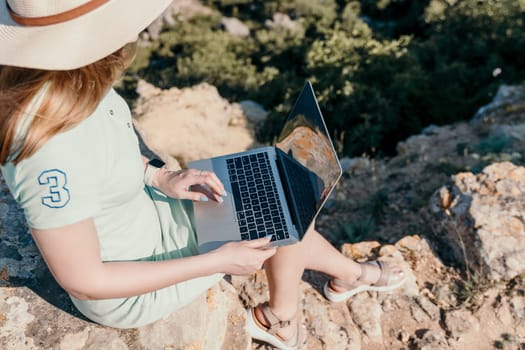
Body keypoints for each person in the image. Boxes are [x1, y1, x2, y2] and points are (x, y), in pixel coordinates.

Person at [0, 1, 406, 349]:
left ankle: (344, 278)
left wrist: (159, 178)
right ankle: (287, 318)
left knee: (279, 190)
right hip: (132, 280)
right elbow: (87, 280)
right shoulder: (46, 153)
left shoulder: (73, 82)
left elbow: (107, 155)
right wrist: (215, 262)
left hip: (150, 214)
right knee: (286, 208)